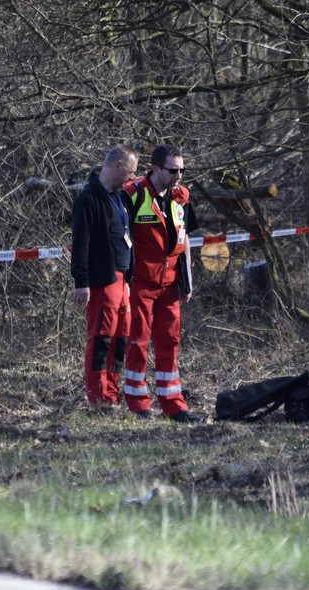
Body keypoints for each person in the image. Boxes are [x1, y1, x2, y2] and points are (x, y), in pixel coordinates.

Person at [123, 144, 204, 423]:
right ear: (156, 169)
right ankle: (138, 403)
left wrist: (188, 279)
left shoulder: (182, 196)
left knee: (170, 342)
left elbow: (186, 240)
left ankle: (174, 404)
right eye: (172, 170)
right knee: (138, 342)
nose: (178, 175)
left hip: (170, 285)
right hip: (140, 284)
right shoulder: (133, 195)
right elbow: (121, 239)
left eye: (182, 169)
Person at [70, 145, 139, 408]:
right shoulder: (89, 198)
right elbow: (81, 242)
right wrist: (82, 282)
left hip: (123, 280)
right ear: (118, 165)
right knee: (102, 336)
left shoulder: (121, 198)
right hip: (102, 280)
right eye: (130, 172)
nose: (131, 178)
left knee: (121, 337)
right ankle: (98, 398)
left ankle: (112, 393)